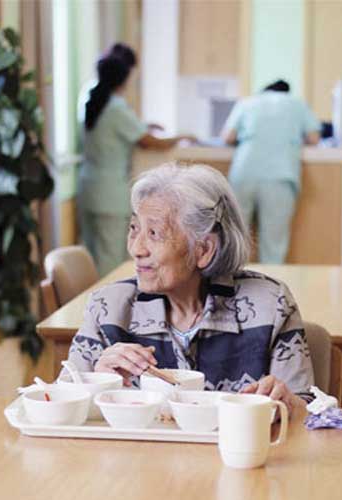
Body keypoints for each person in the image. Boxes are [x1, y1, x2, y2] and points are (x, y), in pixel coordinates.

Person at [67, 162, 314, 411]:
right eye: (134, 228)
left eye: (154, 233)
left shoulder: (270, 305)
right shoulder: (108, 307)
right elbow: (61, 403)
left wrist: (291, 404)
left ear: (204, 249)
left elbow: (311, 414)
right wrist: (98, 381)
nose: (136, 249)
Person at [79, 51, 195, 276]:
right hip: (109, 193)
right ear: (123, 79)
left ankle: (91, 306)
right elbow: (148, 142)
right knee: (110, 259)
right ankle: (105, 308)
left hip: (88, 186)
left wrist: (144, 124)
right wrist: (181, 136)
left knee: (92, 255)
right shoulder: (116, 107)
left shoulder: (91, 101)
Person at [222, 79, 320, 263]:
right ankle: (270, 288)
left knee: (234, 236)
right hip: (279, 175)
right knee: (273, 241)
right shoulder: (297, 104)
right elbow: (314, 138)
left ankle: (228, 284)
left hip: (244, 172)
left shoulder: (248, 102)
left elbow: (228, 136)